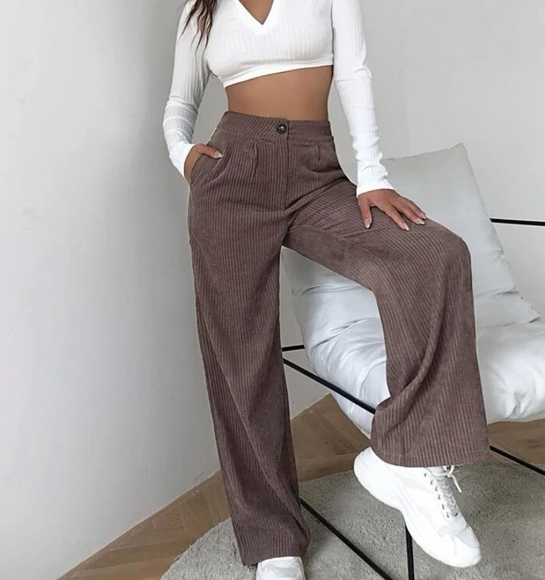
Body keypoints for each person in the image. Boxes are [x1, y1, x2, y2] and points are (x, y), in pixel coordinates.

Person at [162, 1, 492, 578]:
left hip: (314, 170)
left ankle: (407, 458)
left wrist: (373, 176)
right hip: (230, 178)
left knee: (434, 255)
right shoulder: (201, 8)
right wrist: (184, 155)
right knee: (240, 359)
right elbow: (178, 104)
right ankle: (273, 540)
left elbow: (354, 72)